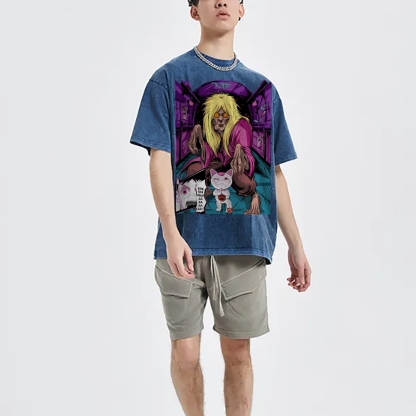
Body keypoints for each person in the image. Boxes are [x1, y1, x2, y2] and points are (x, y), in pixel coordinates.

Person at [129, 1, 312, 415]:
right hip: (182, 243)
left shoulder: (263, 90)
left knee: (238, 354)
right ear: (194, 11)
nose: (222, 1)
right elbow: (158, 159)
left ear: (243, 10)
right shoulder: (167, 79)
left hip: (245, 243)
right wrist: (171, 234)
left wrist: (296, 244)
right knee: (185, 354)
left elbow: (274, 173)